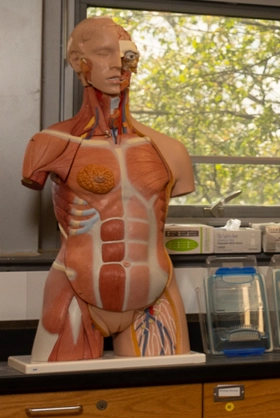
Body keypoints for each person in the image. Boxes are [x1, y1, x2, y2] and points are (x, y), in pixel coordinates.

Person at [22, 16, 195, 362]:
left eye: (128, 56)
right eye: (104, 53)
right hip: (76, 294)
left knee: (167, 402)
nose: (119, 65)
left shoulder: (169, 150)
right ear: (77, 62)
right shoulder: (52, 144)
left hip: (154, 297)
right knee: (65, 405)